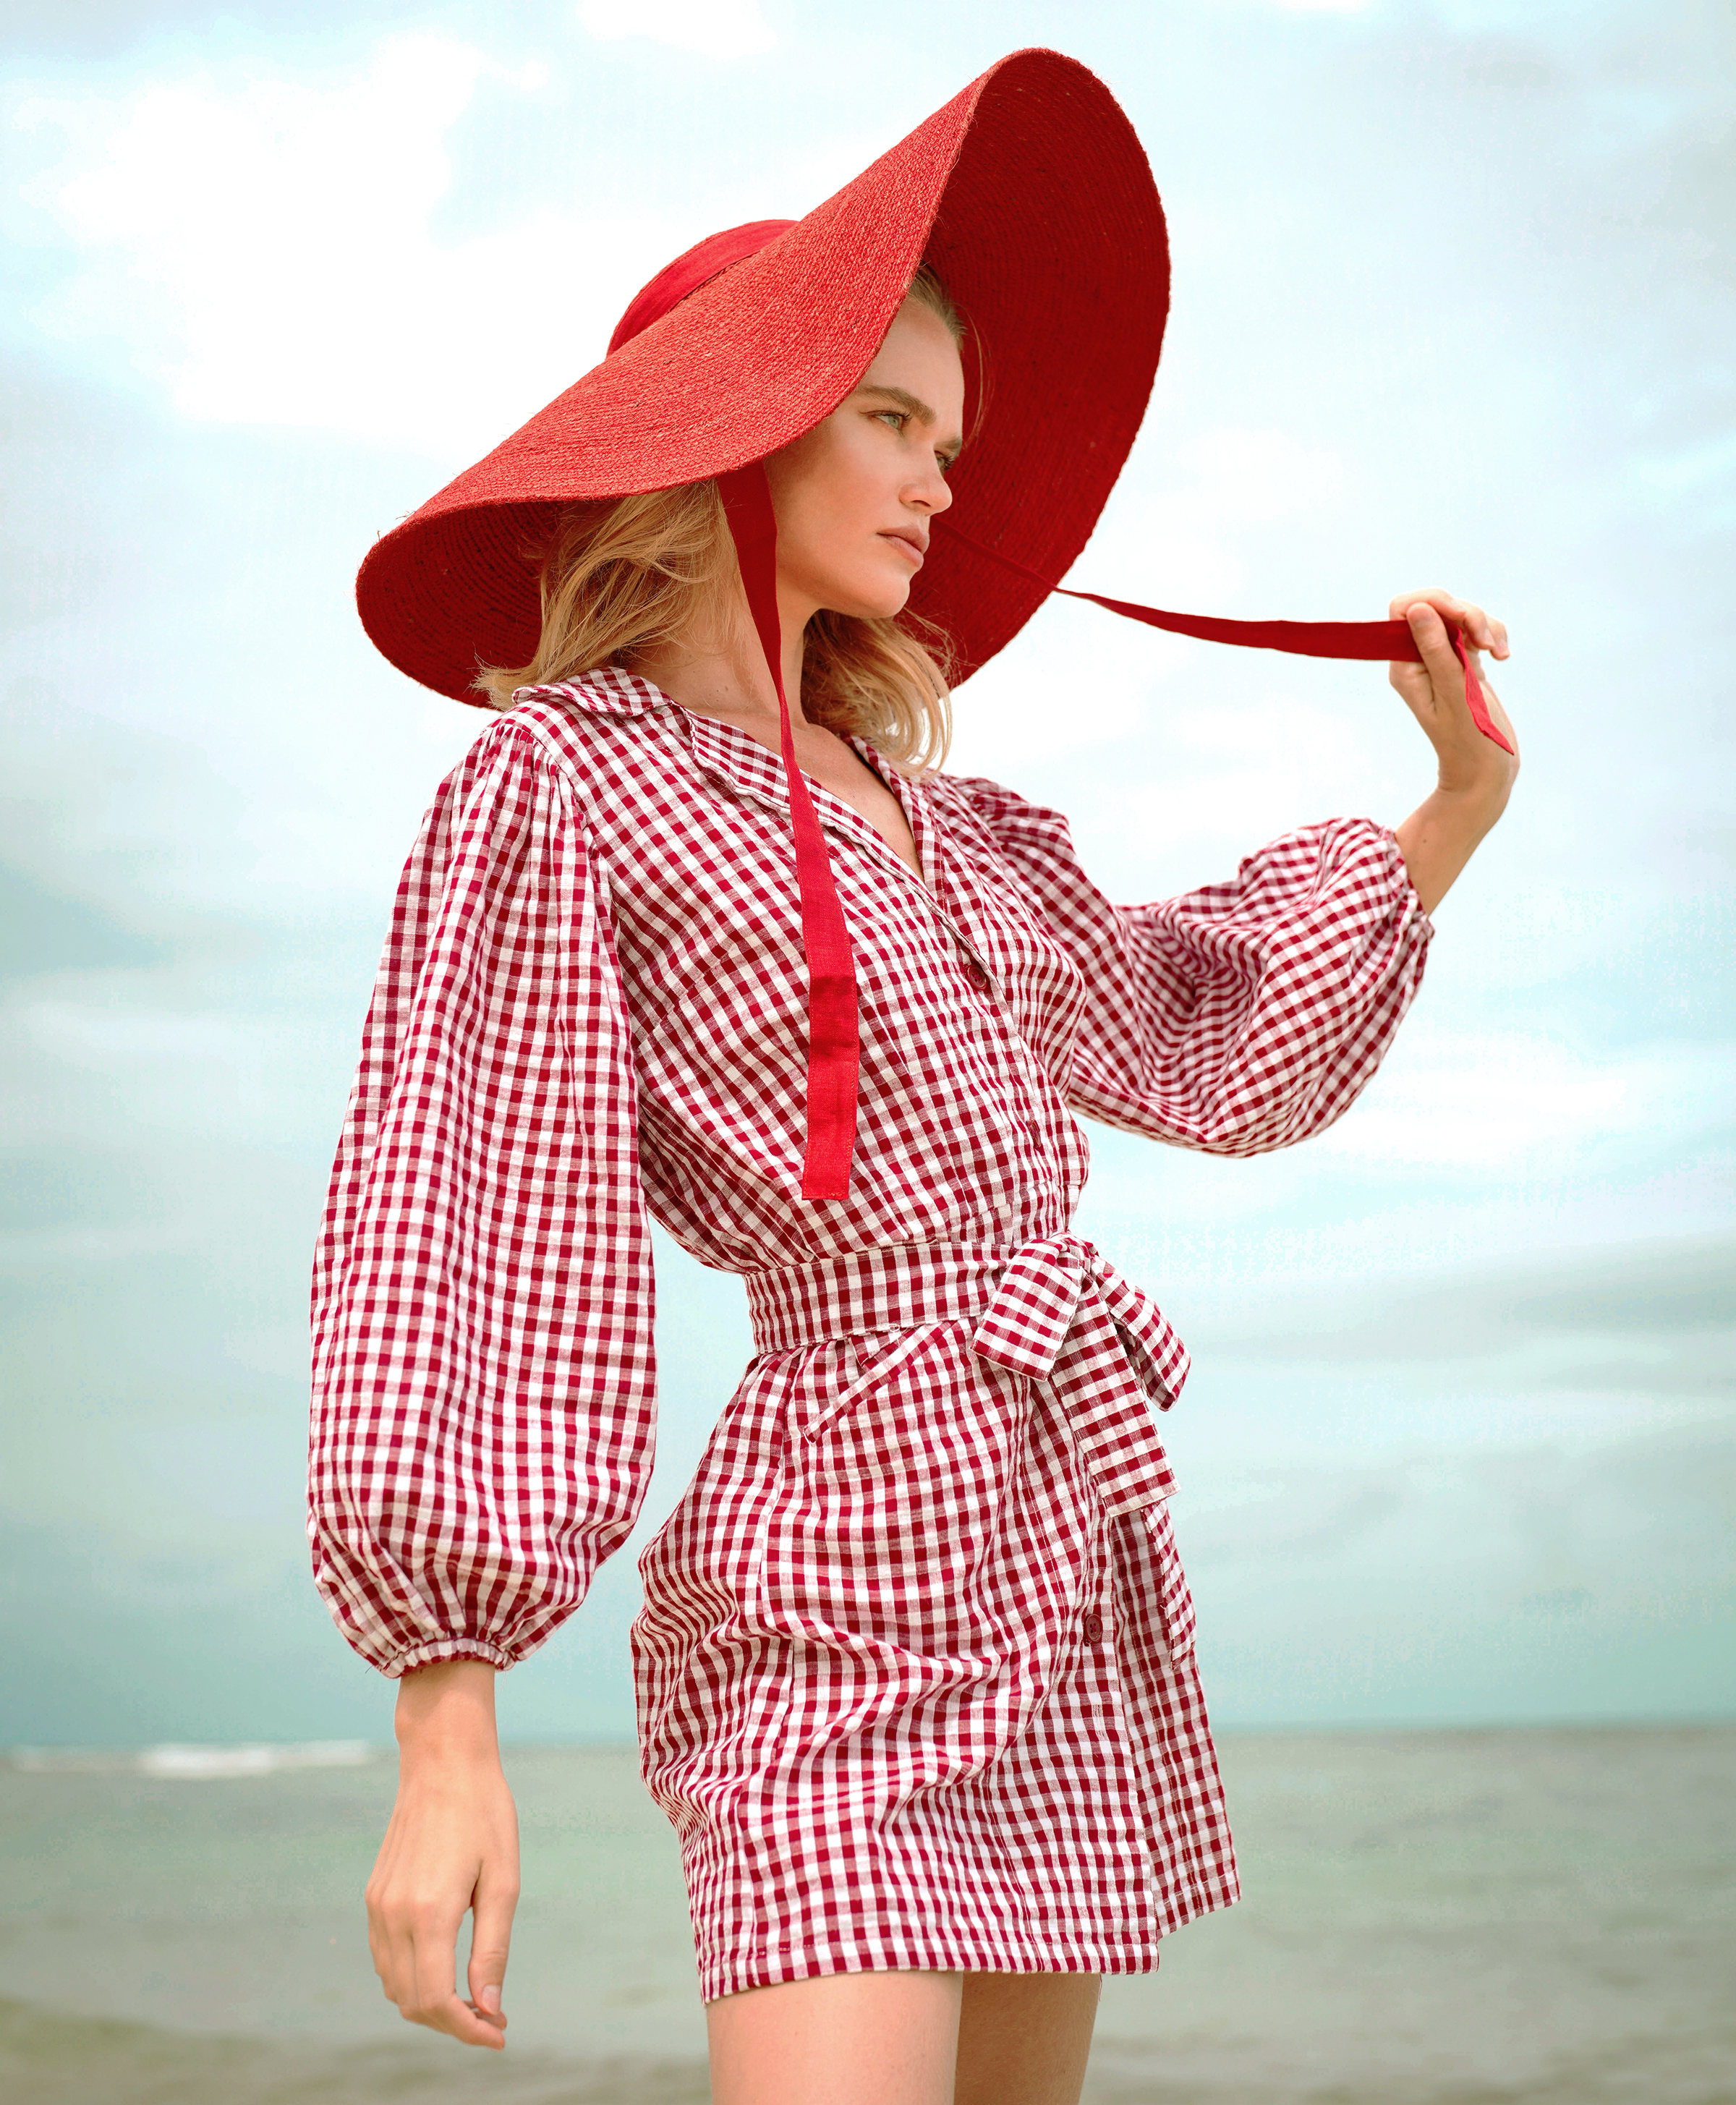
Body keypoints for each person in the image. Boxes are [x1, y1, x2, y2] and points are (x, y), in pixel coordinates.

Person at [308, 49, 1517, 2105]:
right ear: (739, 433)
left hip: (1060, 1546)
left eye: (946, 436)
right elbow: (471, 1223)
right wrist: (447, 1732)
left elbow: (1202, 1030)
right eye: (889, 419)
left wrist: (1447, 813)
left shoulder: (959, 828)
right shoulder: (563, 789)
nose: (941, 478)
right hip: (831, 1577)